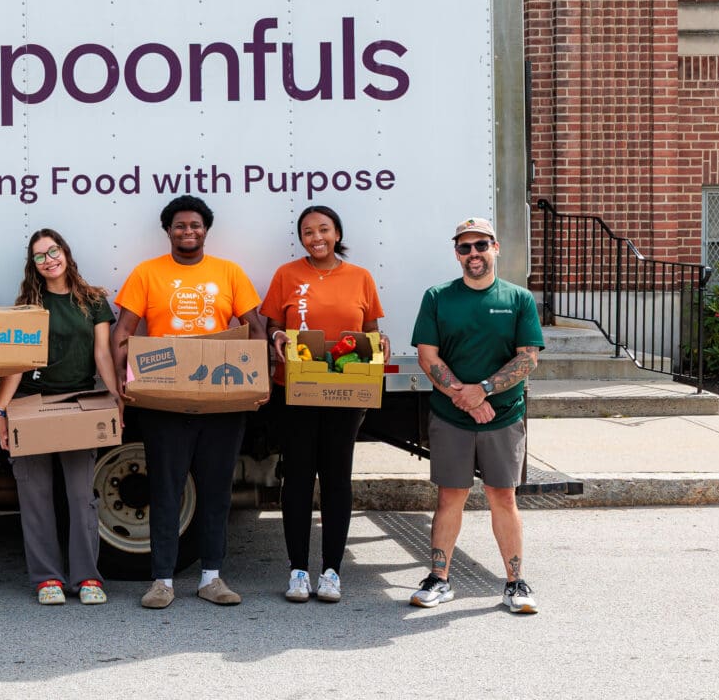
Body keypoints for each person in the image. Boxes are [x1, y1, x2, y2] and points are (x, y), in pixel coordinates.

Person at [110, 195, 267, 609]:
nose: (188, 232)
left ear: (205, 230)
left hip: (221, 401)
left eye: (195, 225)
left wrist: (258, 379)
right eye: (180, 226)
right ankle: (162, 581)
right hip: (164, 400)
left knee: (216, 491)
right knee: (166, 489)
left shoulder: (229, 273)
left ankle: (212, 579)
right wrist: (123, 380)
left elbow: (254, 329)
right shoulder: (147, 274)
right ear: (168, 231)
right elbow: (122, 330)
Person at [408, 217, 545, 615]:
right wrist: (464, 397)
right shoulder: (437, 297)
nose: (474, 254)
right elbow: (427, 356)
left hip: (502, 416)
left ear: (495, 248)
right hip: (452, 416)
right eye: (465, 247)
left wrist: (483, 389)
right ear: (456, 253)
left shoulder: (518, 299)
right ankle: (439, 579)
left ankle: (515, 583)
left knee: (503, 496)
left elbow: (528, 358)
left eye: (481, 245)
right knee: (450, 496)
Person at [261, 205, 385, 605]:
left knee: (336, 479)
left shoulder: (360, 277)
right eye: (308, 231)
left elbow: (371, 332)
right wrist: (278, 336)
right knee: (296, 478)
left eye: (324, 229)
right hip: (295, 389)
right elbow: (270, 326)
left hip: (345, 393)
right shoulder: (287, 274)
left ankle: (331, 571)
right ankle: (298, 570)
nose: (316, 237)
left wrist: (379, 345)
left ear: (337, 234)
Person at [0, 229, 121, 607]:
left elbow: (101, 355)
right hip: (31, 404)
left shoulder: (93, 301)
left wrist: (115, 398)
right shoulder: (29, 304)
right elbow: (17, 363)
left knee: (82, 496)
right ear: (32, 265)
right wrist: (0, 411)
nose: (49, 259)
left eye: (54, 250)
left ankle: (86, 577)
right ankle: (46, 577)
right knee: (35, 496)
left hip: (79, 403)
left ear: (66, 252)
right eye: (39, 256)